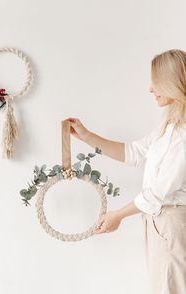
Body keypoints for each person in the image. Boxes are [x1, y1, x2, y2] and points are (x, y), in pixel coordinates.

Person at [66, 49, 186, 294]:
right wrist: (87, 137)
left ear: (173, 83)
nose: (150, 89)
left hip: (170, 222)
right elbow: (132, 152)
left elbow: (159, 192)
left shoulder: (183, 136)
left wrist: (117, 215)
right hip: (159, 223)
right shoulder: (170, 127)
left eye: (155, 82)